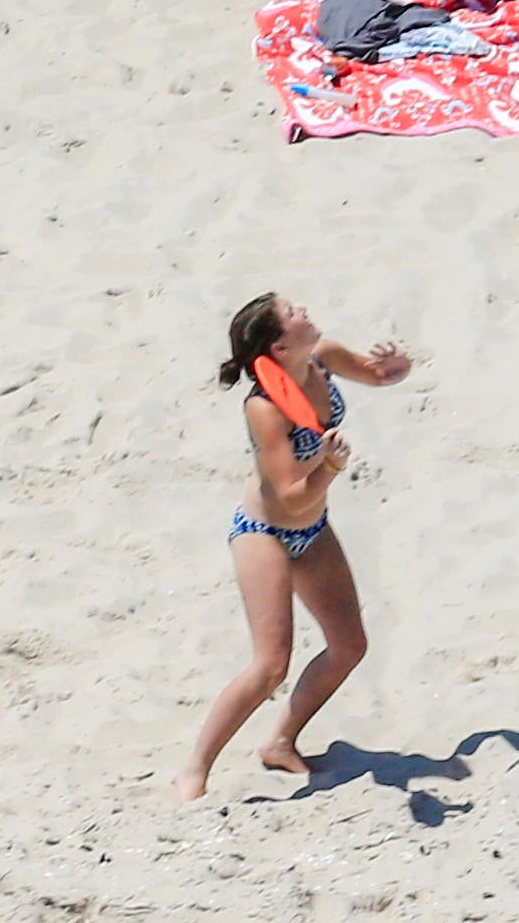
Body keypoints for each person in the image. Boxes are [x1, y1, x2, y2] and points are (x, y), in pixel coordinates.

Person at [176, 293, 413, 803]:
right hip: (264, 535)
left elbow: (376, 375)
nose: (304, 310)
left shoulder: (322, 357)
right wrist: (327, 467)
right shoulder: (263, 407)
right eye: (293, 312)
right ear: (280, 345)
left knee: (350, 645)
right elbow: (287, 491)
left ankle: (281, 740)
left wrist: (396, 369)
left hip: (313, 529)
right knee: (271, 665)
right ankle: (193, 769)